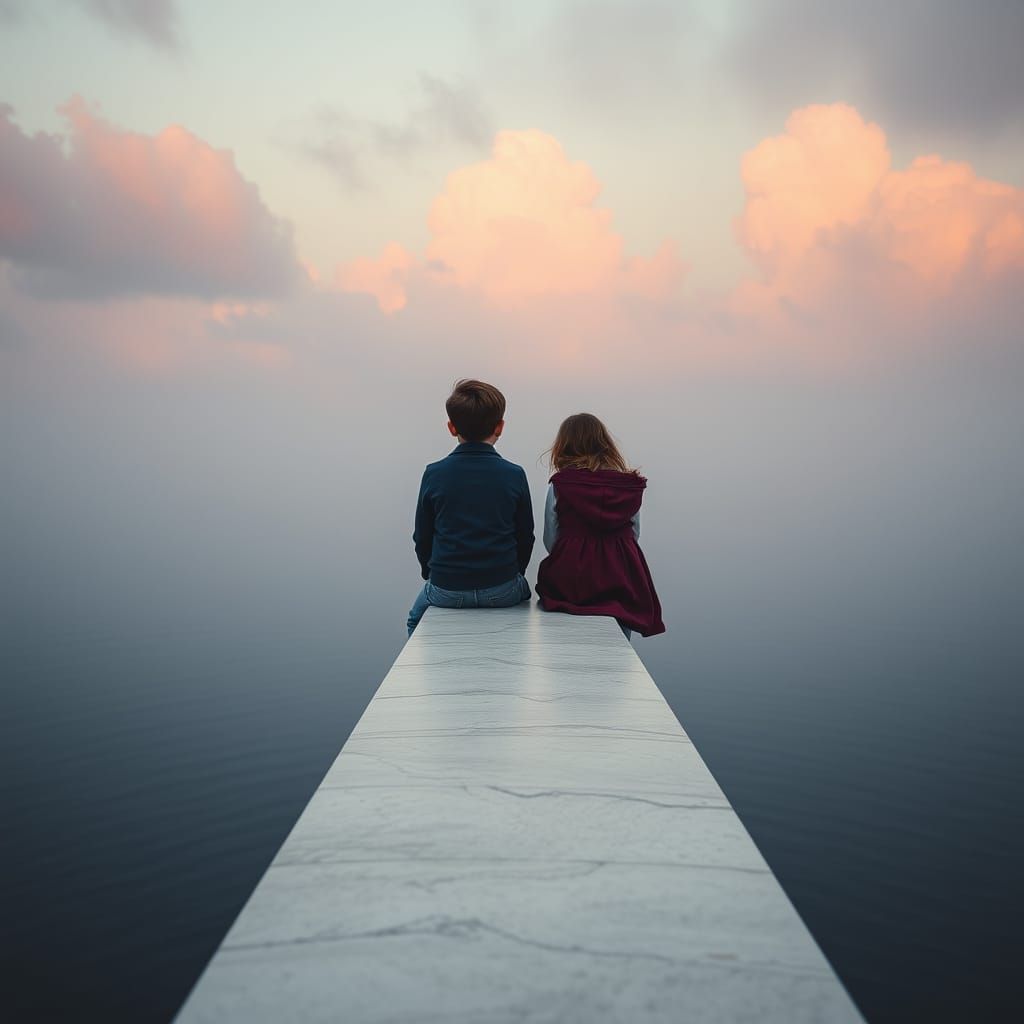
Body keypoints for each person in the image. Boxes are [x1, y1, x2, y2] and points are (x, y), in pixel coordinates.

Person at [407, 379, 534, 636]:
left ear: (452, 427)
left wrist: (431, 574)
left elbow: (422, 536)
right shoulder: (514, 474)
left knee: (414, 621)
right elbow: (525, 536)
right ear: (500, 427)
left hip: (447, 588)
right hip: (502, 589)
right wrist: (513, 573)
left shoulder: (434, 474)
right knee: (524, 596)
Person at [536, 413, 665, 639]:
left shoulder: (560, 485)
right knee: (618, 637)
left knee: (567, 640)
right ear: (605, 445)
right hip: (621, 575)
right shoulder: (629, 487)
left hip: (571, 578)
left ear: (564, 446)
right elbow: (634, 534)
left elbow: (551, 539)